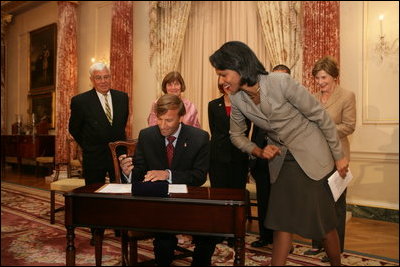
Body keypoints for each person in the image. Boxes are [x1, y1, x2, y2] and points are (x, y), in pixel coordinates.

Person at [209, 41, 349, 266]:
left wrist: (339, 155)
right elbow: (236, 135)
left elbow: (320, 117)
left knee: (322, 223)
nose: (221, 80)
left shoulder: (280, 82)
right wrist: (257, 150)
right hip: (283, 161)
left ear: (239, 66)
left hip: (312, 154)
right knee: (281, 222)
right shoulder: (237, 98)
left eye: (224, 74)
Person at [119, 94, 216, 266]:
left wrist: (168, 174)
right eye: (159, 119)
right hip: (159, 204)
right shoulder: (147, 135)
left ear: (181, 117)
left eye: (169, 120)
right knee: (164, 238)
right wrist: (128, 173)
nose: (163, 126)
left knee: (209, 234)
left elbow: (199, 176)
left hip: (188, 202)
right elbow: (140, 173)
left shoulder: (199, 137)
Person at [304, 56, 356, 262]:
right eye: (317, 78)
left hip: (338, 158)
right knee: (317, 203)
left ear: (334, 76)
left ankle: (336, 248)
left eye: (323, 77)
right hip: (316, 158)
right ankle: (318, 244)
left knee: (336, 205)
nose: (320, 82)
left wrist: (324, 129)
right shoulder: (313, 97)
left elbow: (349, 126)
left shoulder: (347, 96)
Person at [250, 64, 291, 249]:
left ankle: (283, 242)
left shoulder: (294, 103)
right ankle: (265, 236)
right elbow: (255, 131)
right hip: (262, 161)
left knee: (283, 204)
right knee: (264, 200)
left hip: (284, 162)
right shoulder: (261, 101)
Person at [69, 62, 129, 185]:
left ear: (110, 77)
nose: (103, 81)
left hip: (118, 155)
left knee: (120, 192)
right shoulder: (80, 101)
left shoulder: (122, 97)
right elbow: (74, 129)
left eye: (106, 77)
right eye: (98, 78)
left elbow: (122, 123)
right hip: (94, 156)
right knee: (93, 194)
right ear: (92, 79)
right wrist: (88, 145)